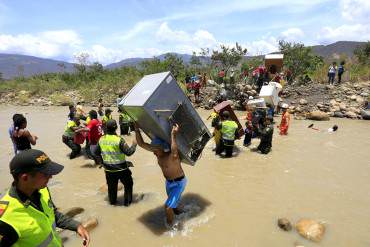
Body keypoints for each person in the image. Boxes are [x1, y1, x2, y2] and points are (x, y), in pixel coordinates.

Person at [0, 149, 90, 246]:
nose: (51, 177)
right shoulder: (6, 219)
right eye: (45, 174)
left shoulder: (42, 190)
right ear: (25, 178)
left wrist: (76, 226)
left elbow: (52, 214)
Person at [135, 124, 186, 226]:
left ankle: (171, 227)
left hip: (179, 183)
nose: (153, 152)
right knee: (173, 206)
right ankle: (181, 213)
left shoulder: (172, 156)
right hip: (169, 183)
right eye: (153, 150)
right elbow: (141, 144)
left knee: (167, 207)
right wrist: (136, 129)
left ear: (162, 148)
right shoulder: (158, 152)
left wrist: (173, 134)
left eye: (155, 150)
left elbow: (175, 152)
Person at [95, 119, 137, 206]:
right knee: (128, 184)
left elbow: (96, 152)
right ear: (116, 128)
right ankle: (127, 203)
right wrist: (134, 145)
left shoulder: (101, 139)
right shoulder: (119, 140)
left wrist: (102, 163)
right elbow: (129, 152)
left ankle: (112, 204)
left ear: (106, 128)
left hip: (109, 170)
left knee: (111, 188)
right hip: (122, 169)